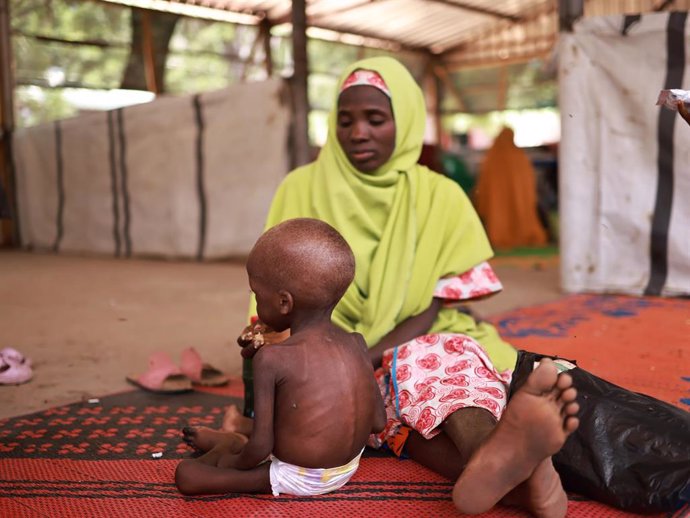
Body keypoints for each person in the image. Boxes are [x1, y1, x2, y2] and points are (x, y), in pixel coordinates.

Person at [186, 57, 689, 514]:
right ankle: (510, 467)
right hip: (332, 363)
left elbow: (432, 308)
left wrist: (366, 356)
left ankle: (501, 461)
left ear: (403, 123)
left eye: (375, 119)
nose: (358, 132)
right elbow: (273, 292)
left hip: (410, 344)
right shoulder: (301, 187)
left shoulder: (439, 196)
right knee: (406, 408)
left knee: (438, 371)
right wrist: (316, 358)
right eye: (345, 120)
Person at [175, 217, 386, 496]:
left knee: (187, 475)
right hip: (348, 468)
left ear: (284, 302)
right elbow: (378, 423)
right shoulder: (357, 342)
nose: (256, 300)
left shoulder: (273, 359)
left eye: (257, 294)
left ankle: (229, 445)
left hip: (302, 477)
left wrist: (231, 464)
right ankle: (232, 439)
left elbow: (262, 447)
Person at [473, 126, 548, 249]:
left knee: (499, 220)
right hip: (519, 202)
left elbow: (484, 183)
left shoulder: (492, 158)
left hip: (497, 202)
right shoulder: (519, 157)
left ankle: (500, 238)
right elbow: (529, 181)